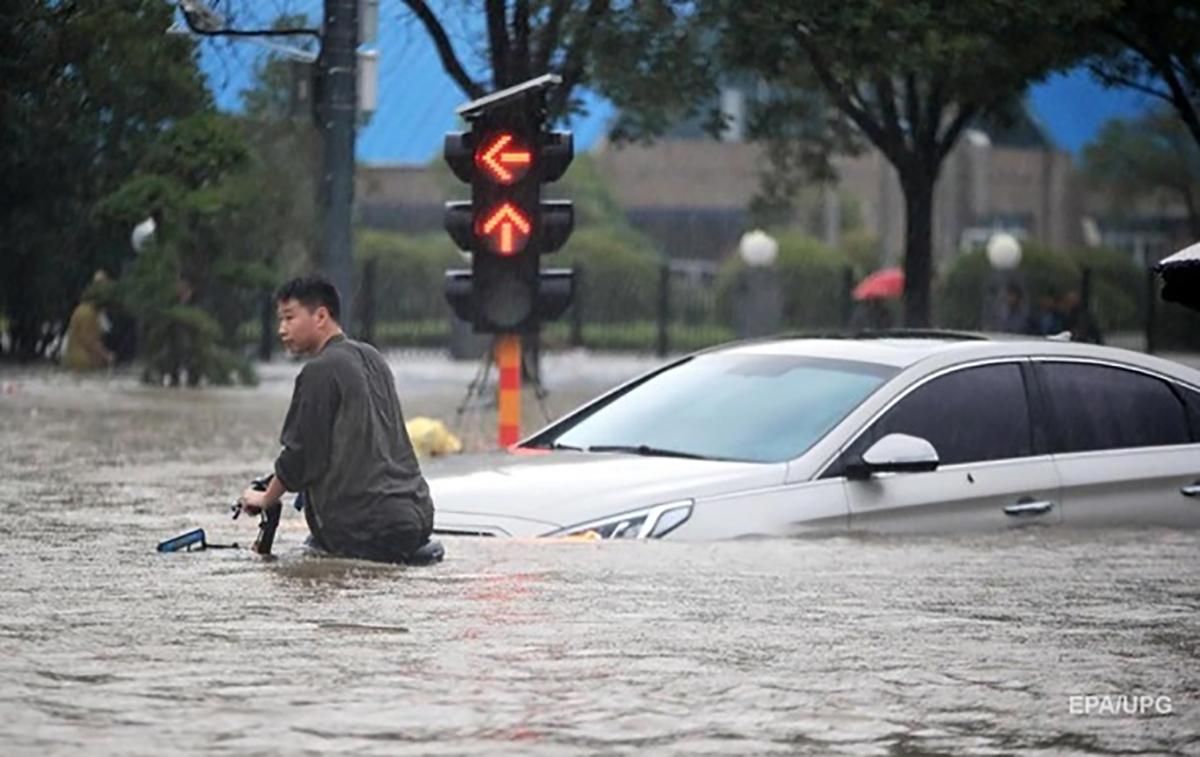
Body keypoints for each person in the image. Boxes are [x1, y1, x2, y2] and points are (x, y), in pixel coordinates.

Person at [237, 274, 436, 563]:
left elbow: (301, 456)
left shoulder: (319, 371)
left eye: (289, 318)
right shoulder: (373, 357)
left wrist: (265, 498)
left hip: (363, 529)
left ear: (320, 316)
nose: (281, 329)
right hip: (417, 516)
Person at [62, 271, 115, 372]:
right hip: (82, 364)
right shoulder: (87, 313)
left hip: (83, 363)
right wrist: (107, 356)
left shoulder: (94, 312)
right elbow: (90, 341)